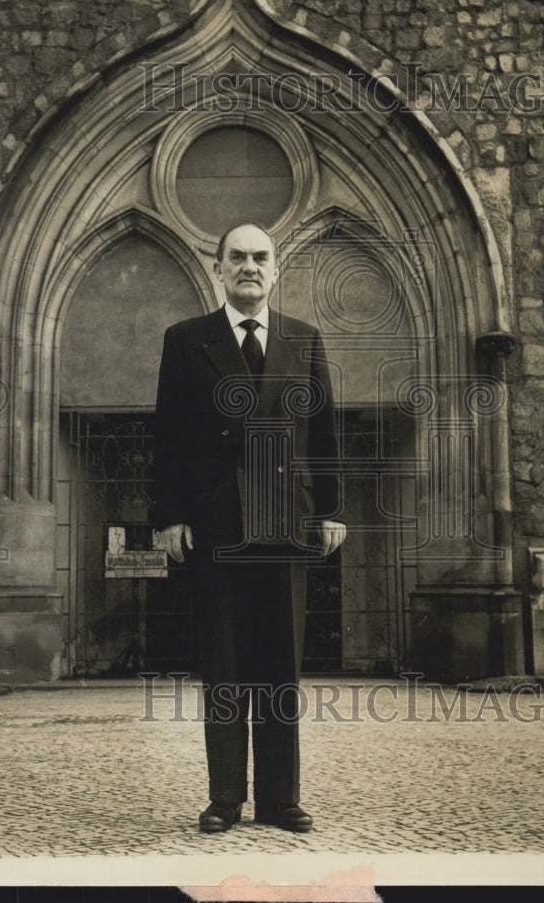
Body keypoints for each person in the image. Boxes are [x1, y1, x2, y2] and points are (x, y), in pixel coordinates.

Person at [154, 223, 345, 834]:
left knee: (281, 664)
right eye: (237, 257)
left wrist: (330, 511)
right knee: (226, 663)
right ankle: (226, 798)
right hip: (217, 523)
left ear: (275, 267)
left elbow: (323, 436)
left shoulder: (305, 340)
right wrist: (169, 515)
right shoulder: (186, 341)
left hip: (286, 520)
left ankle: (281, 800)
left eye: (260, 257)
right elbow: (170, 436)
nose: (249, 267)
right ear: (219, 267)